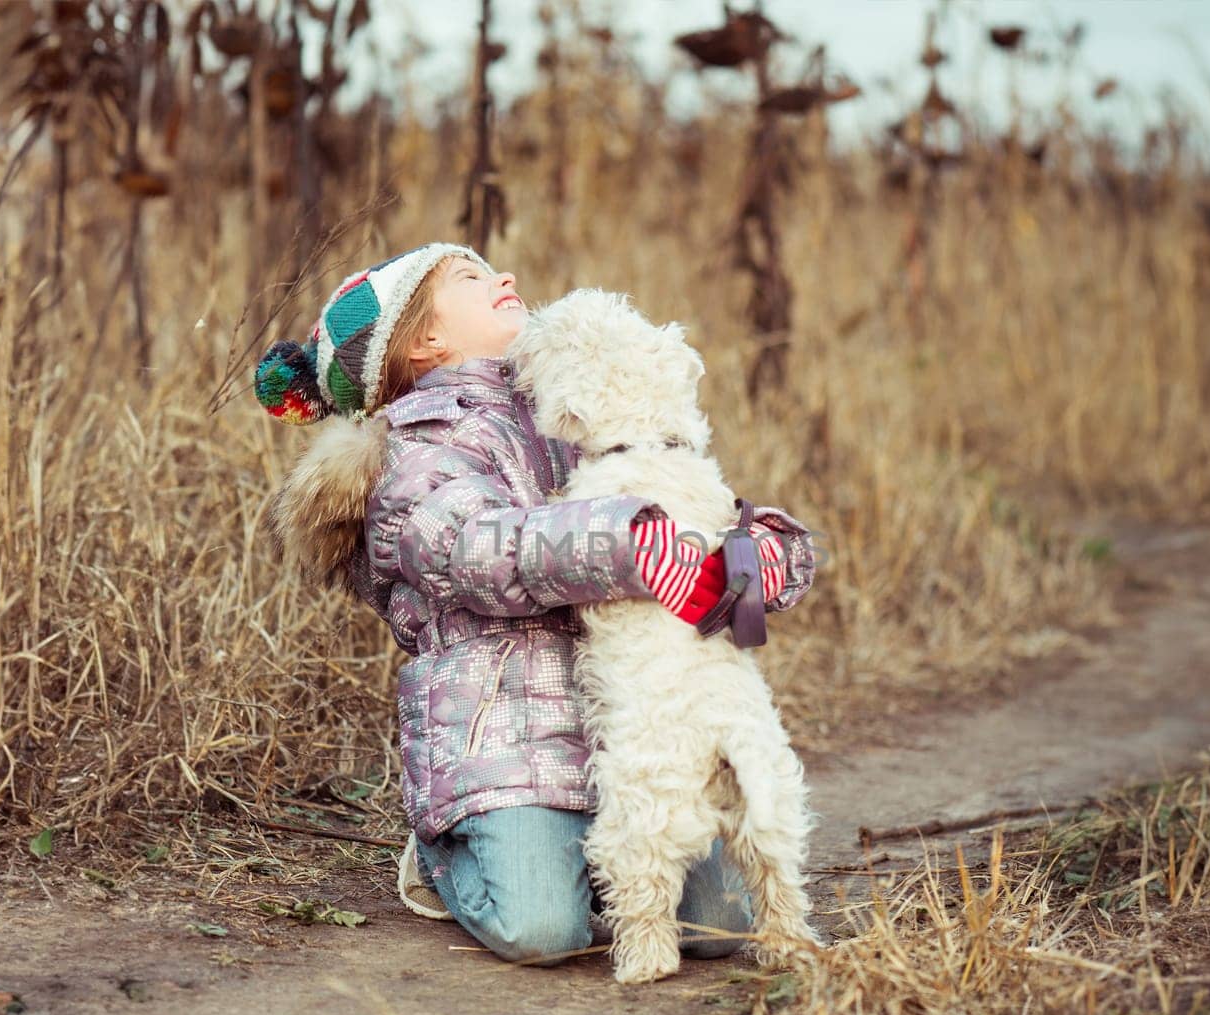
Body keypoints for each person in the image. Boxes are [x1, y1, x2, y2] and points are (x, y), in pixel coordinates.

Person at [255, 242, 819, 966]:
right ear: (425, 338)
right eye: (472, 276)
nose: (506, 279)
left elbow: (676, 488)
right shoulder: (417, 451)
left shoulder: (569, 404)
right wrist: (632, 542)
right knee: (542, 930)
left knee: (719, 925)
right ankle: (444, 856)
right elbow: (476, 547)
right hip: (504, 739)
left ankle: (591, 864)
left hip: (626, 731)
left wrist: (745, 556)